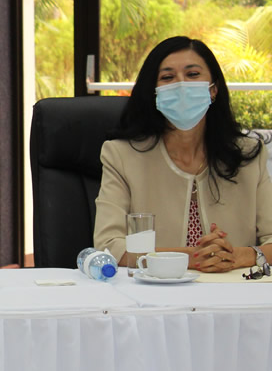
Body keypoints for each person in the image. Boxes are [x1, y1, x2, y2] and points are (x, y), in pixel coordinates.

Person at [93, 36, 272, 273]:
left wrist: (240, 255)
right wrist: (186, 258)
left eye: (193, 74)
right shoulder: (121, 156)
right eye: (167, 77)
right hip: (155, 297)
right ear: (154, 93)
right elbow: (108, 246)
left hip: (234, 294)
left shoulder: (248, 156)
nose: (181, 85)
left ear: (214, 89)